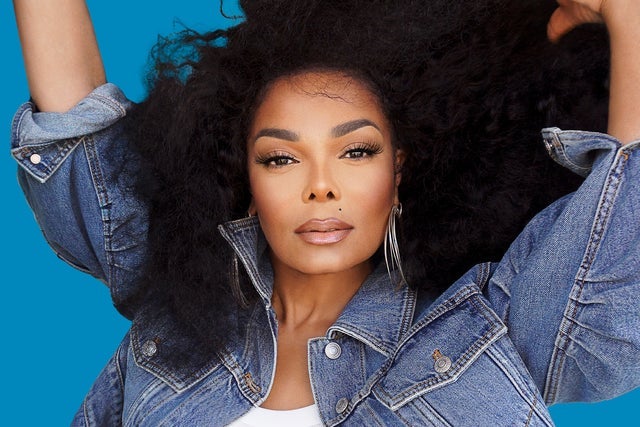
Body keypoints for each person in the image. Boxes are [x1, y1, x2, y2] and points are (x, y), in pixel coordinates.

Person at [10, 0, 640, 425]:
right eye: (281, 158)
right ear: (244, 178)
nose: (320, 188)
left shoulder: (483, 332)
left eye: (356, 151)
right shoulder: (180, 314)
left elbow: (616, 240)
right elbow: (75, 132)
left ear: (399, 173)